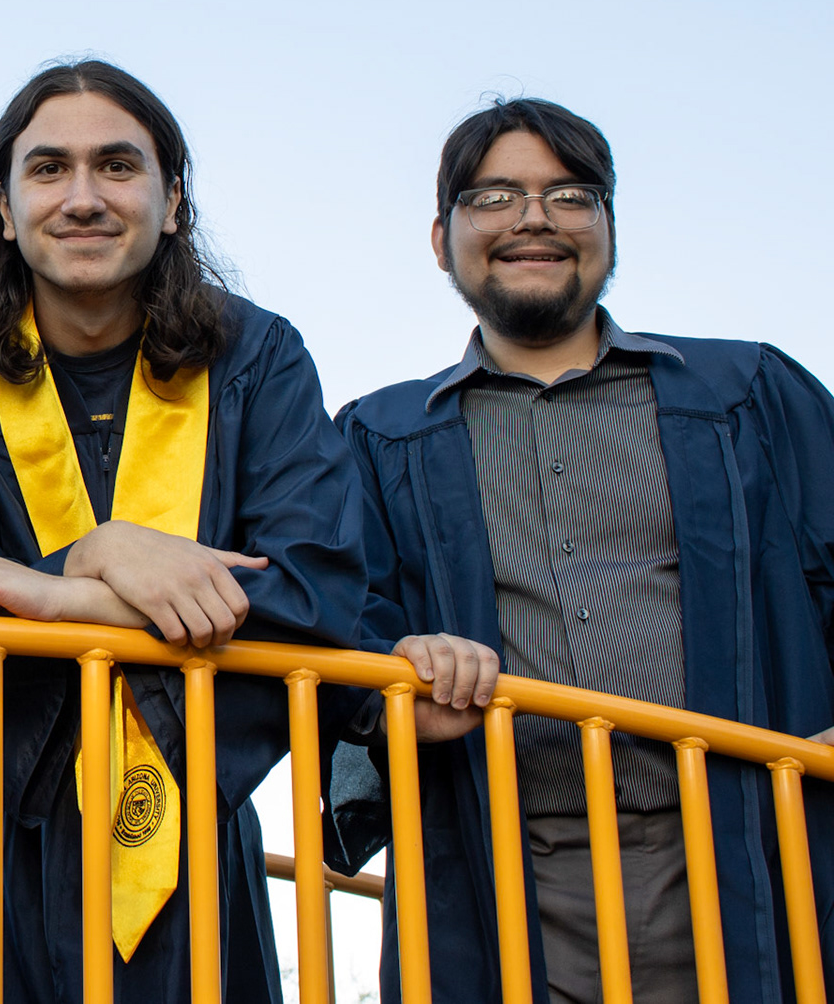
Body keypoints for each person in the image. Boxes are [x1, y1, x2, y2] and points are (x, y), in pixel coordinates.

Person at [331, 96, 834, 1002]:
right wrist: (393, 670)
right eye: (494, 197)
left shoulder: (749, 392)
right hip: (506, 867)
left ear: (607, 228)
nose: (534, 217)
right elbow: (335, 619)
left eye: (570, 194)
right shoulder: (380, 436)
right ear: (442, 240)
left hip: (751, 853)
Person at [0, 60, 367, 1004]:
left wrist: (70, 583)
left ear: (173, 200)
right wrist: (105, 556)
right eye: (47, 170)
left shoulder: (256, 359)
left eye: (117, 166)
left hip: (187, 808)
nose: (82, 198)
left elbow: (314, 591)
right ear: (1, 205)